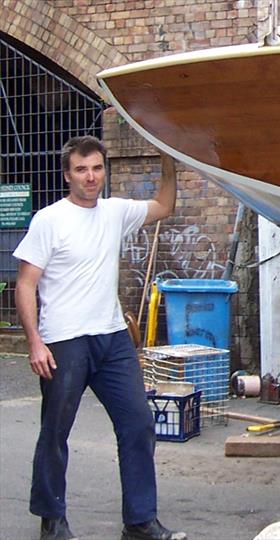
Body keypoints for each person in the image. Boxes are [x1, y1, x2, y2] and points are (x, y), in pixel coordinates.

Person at [14, 136, 187, 540]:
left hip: (112, 340)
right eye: (81, 169)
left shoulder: (115, 212)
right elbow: (25, 284)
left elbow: (164, 205)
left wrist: (169, 157)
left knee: (139, 424)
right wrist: (35, 342)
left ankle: (140, 521)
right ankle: (51, 518)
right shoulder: (49, 220)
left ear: (104, 170)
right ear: (67, 174)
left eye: (96, 168)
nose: (90, 177)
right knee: (56, 431)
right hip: (64, 341)